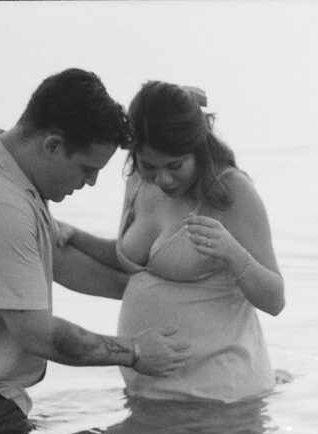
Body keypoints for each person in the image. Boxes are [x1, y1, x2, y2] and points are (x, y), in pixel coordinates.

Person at [0, 68, 188, 434]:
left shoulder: (6, 177)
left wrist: (168, 296)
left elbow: (65, 263)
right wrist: (134, 351)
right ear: (52, 145)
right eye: (86, 168)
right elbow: (39, 336)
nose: (90, 182)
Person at [61, 80, 285, 404]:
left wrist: (233, 254)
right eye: (150, 165)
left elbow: (275, 300)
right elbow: (130, 260)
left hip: (220, 401)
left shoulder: (231, 192)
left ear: (198, 147)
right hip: (146, 396)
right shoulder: (139, 178)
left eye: (175, 165)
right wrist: (76, 236)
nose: (162, 179)